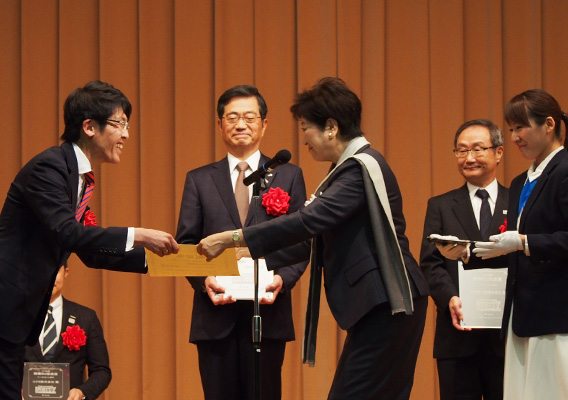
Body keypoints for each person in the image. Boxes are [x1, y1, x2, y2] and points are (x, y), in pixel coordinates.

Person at [198, 77, 429, 399]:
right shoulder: (346, 169)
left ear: (331, 127)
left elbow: (309, 221)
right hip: (382, 305)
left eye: (306, 127)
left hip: (388, 303)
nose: (303, 137)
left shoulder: (359, 169)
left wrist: (235, 238)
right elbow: (312, 239)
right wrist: (249, 257)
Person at [0, 80, 179, 400]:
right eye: (120, 123)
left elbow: (91, 252)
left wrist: (168, 261)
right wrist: (138, 234)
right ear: (89, 127)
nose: (126, 134)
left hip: (8, 312)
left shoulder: (75, 177)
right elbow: (68, 232)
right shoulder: (50, 167)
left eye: (127, 125)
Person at [176, 85, 308, 400]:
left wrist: (282, 279)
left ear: (264, 124)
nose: (241, 125)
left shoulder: (288, 175)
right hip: (215, 315)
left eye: (249, 117)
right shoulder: (199, 179)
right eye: (232, 117)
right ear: (220, 124)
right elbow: (186, 243)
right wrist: (203, 280)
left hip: (267, 311)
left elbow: (303, 239)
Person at [474, 89, 568, 400]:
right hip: (520, 311)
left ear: (549, 124)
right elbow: (513, 246)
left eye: (521, 127)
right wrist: (468, 252)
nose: (514, 137)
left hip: (557, 312)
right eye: (511, 129)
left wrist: (524, 241)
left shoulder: (565, 170)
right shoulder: (519, 182)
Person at [420, 119, 507, 400]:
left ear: (498, 152)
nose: (469, 158)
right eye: (461, 151)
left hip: (508, 336)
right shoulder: (441, 206)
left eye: (478, 149)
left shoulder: (518, 201)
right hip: (457, 337)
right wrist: (449, 299)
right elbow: (430, 263)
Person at [24, 264, 111, 400]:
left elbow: (102, 371)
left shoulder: (86, 317)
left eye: (56, 271)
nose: (50, 277)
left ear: (66, 273)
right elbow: (0, 365)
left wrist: (82, 392)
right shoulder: (17, 317)